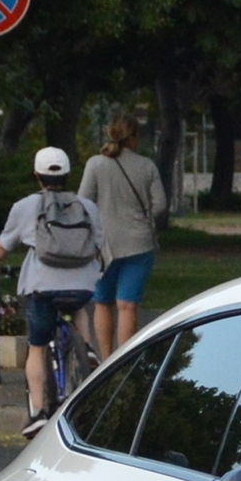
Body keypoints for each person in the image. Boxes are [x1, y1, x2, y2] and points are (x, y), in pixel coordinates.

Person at [0, 146, 109, 431]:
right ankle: (86, 349)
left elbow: (6, 244)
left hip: (42, 287)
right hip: (82, 285)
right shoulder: (87, 207)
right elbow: (99, 246)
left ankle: (38, 412)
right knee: (77, 306)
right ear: (67, 174)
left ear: (37, 175)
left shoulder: (26, 206)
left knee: (37, 348)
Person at [79, 117, 166, 360]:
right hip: (139, 243)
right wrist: (143, 217)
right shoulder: (147, 166)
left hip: (102, 245)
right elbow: (160, 204)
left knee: (102, 303)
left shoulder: (95, 164)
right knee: (127, 306)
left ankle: (106, 360)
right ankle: (125, 362)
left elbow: (83, 201)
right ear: (134, 137)